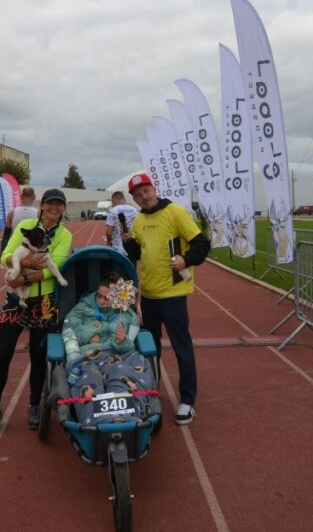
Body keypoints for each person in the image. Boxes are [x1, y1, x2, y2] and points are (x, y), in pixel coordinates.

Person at [0, 188, 72, 439]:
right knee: (2, 355)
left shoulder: (65, 235)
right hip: (15, 300)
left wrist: (22, 274)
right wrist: (25, 265)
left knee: (39, 357)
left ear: (63, 209)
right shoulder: (25, 226)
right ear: (42, 205)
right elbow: (5, 256)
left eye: (59, 204)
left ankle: (35, 405)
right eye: (50, 203)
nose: (54, 208)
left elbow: (53, 266)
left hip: (43, 303)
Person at [122, 173, 210, 425]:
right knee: (150, 349)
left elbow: (202, 244)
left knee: (182, 347)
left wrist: (186, 259)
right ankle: (151, 393)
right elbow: (139, 253)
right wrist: (129, 245)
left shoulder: (175, 212)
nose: (144, 197)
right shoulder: (138, 221)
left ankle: (187, 400)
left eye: (146, 191)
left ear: (153, 188)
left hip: (173, 294)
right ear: (134, 198)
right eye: (138, 195)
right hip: (148, 295)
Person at [61, 273, 155, 425]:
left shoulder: (128, 316)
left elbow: (130, 345)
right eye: (99, 296)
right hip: (88, 356)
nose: (102, 301)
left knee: (119, 372)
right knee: (90, 378)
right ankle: (93, 419)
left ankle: (125, 416)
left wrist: (122, 341)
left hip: (117, 356)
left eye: (107, 298)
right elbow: (67, 329)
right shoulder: (82, 308)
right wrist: (87, 336)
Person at [0, 187, 38, 251]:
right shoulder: (38, 214)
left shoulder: (11, 213)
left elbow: (6, 236)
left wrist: (2, 253)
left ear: (21, 197)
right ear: (34, 197)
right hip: (31, 250)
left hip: (15, 248)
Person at [105, 191, 138, 256]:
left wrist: (109, 241)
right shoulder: (135, 210)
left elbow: (108, 232)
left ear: (115, 200)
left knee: (118, 265)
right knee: (131, 265)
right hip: (132, 245)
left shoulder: (113, 211)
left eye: (112, 202)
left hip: (118, 247)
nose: (112, 204)